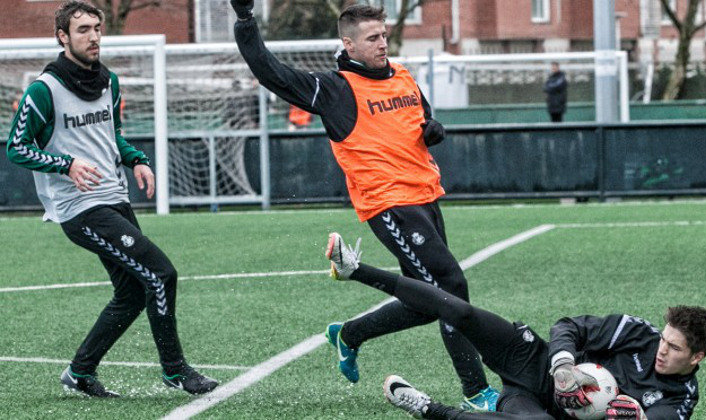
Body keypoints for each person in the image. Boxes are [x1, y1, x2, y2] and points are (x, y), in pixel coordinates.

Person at [229, 0, 499, 410]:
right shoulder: (336, 89)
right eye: (372, 38)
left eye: (384, 36)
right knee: (450, 287)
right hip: (389, 204)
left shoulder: (403, 75)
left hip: (425, 196)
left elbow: (420, 120)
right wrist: (246, 20)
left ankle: (350, 334)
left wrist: (432, 130)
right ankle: (477, 391)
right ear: (349, 45)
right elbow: (271, 72)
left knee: (425, 302)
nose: (382, 44)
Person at [5, 1, 218, 397]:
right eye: (83, 29)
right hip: (79, 207)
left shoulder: (109, 81)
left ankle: (80, 373)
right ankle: (175, 370)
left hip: (114, 196)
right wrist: (65, 164)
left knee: (134, 291)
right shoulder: (43, 89)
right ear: (63, 37)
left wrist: (135, 159)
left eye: (97, 28)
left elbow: (110, 135)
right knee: (161, 273)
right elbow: (16, 148)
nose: (94, 36)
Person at [325, 232, 706, 419]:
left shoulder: (682, 397)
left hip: (543, 409)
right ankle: (355, 269)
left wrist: (638, 417)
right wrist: (563, 365)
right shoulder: (641, 333)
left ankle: (428, 408)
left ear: (697, 357)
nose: (662, 350)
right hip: (534, 360)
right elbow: (570, 326)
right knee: (463, 313)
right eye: (665, 340)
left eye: (674, 349)